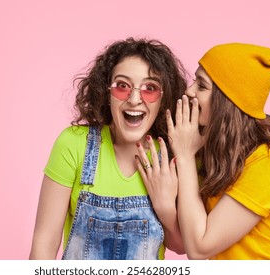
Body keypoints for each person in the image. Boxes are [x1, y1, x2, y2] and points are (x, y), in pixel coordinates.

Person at [136, 43, 270, 259]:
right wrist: (166, 209)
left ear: (227, 100)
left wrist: (184, 156)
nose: (189, 90)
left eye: (201, 85)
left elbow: (199, 248)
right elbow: (185, 242)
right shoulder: (214, 151)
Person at [29, 37, 188, 260]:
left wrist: (165, 208)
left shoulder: (172, 157)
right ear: (106, 92)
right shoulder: (74, 145)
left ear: (164, 98)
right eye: (123, 86)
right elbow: (44, 244)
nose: (134, 99)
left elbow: (182, 246)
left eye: (150, 88)